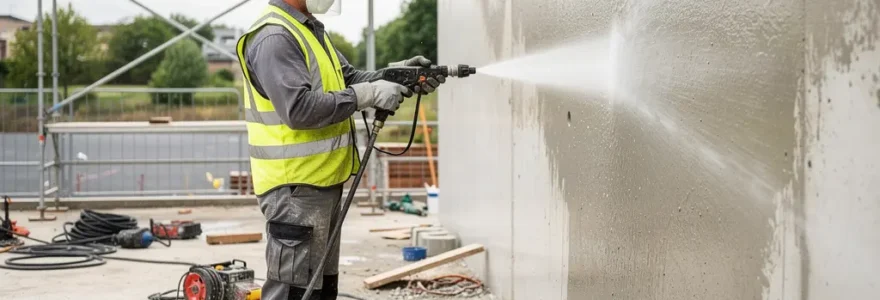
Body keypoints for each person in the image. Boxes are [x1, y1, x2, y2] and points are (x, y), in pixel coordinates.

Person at [235, 0, 444, 299]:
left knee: (320, 289)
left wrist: (393, 75)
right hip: (295, 187)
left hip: (319, 184)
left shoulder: (308, 29)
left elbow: (349, 79)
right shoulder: (275, 37)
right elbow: (299, 110)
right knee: (295, 292)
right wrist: (371, 93)